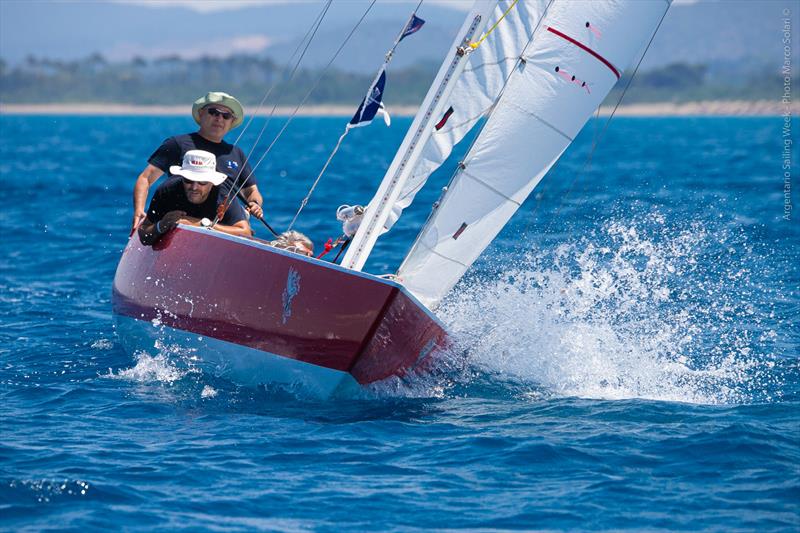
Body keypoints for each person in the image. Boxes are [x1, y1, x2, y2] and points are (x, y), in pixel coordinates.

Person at [131, 91, 264, 232]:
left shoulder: (236, 153)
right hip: (181, 215)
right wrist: (139, 210)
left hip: (225, 220)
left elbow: (251, 190)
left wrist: (255, 203)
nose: (219, 118)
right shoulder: (177, 144)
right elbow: (146, 178)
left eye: (226, 115)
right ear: (201, 114)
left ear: (231, 121)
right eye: (214, 112)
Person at [138, 150, 251, 246]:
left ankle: (240, 213)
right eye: (188, 180)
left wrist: (201, 224)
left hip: (217, 223)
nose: (194, 187)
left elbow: (245, 233)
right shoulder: (167, 190)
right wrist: (162, 224)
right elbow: (143, 235)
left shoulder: (224, 194)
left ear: (212, 182)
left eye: (202, 182)